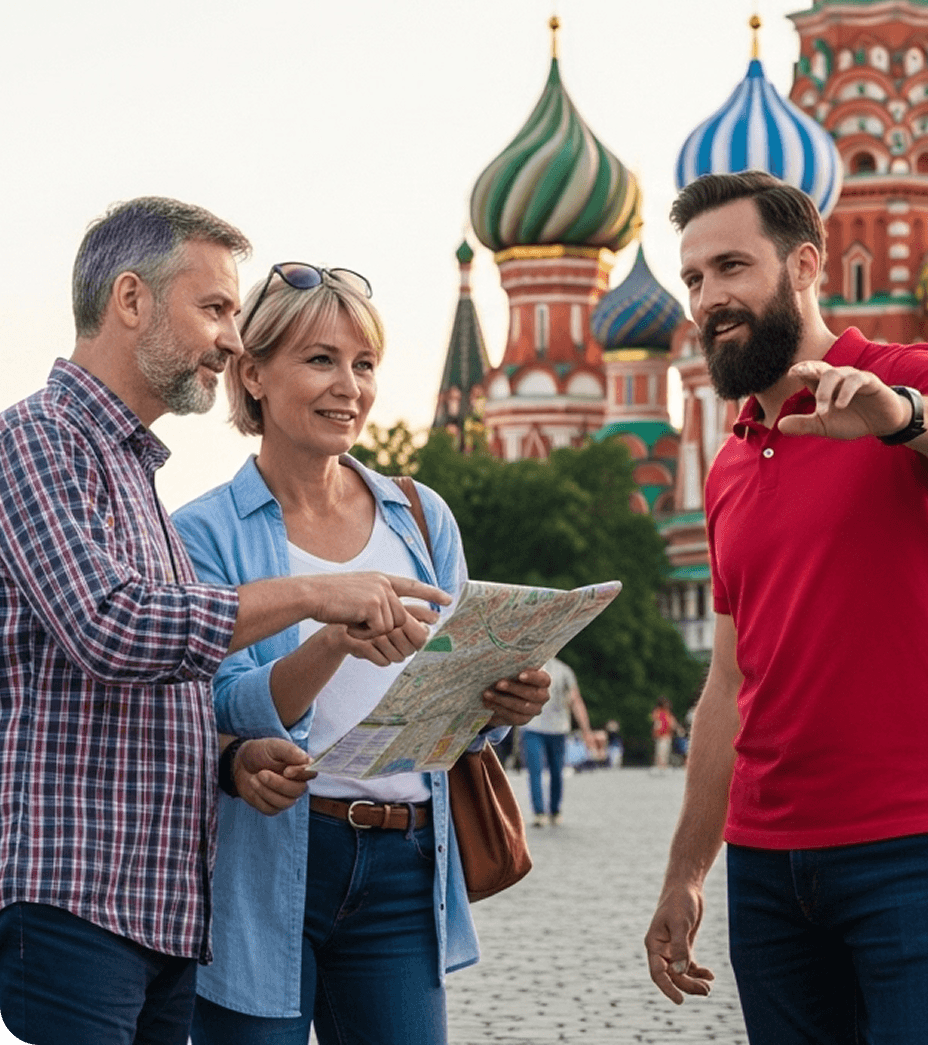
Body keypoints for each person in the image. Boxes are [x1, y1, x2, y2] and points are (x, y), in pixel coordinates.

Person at [0, 200, 452, 1045]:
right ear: (131, 300)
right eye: (215, 310)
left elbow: (174, 696)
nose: (232, 339)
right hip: (79, 888)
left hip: (158, 901)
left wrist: (234, 755)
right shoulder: (37, 439)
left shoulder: (134, 473)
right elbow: (112, 629)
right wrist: (319, 598)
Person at [644, 172, 928, 1045]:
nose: (711, 298)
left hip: (920, 848)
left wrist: (899, 418)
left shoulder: (897, 379)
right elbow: (728, 684)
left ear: (806, 266)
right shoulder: (729, 465)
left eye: (733, 267)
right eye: (695, 280)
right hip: (770, 869)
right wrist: (686, 872)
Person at [172, 263, 551, 1045]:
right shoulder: (201, 532)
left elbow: (455, 711)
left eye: (363, 364)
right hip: (269, 862)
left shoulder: (418, 513)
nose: (348, 385)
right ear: (253, 373)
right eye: (319, 360)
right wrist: (334, 643)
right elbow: (226, 706)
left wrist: (498, 698)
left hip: (408, 858)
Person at [522, 656, 595, 826]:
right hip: (533, 727)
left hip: (558, 729)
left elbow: (575, 701)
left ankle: (554, 810)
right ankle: (539, 812)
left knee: (556, 772)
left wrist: (586, 730)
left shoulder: (564, 671)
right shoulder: (528, 669)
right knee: (535, 771)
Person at [651, 696, 682, 770]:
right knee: (660, 750)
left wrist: (679, 729)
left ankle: (664, 765)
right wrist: (656, 729)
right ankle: (659, 765)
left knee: (665, 750)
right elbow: (656, 722)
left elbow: (672, 721)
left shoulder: (667, 712)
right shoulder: (658, 712)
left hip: (667, 734)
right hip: (660, 734)